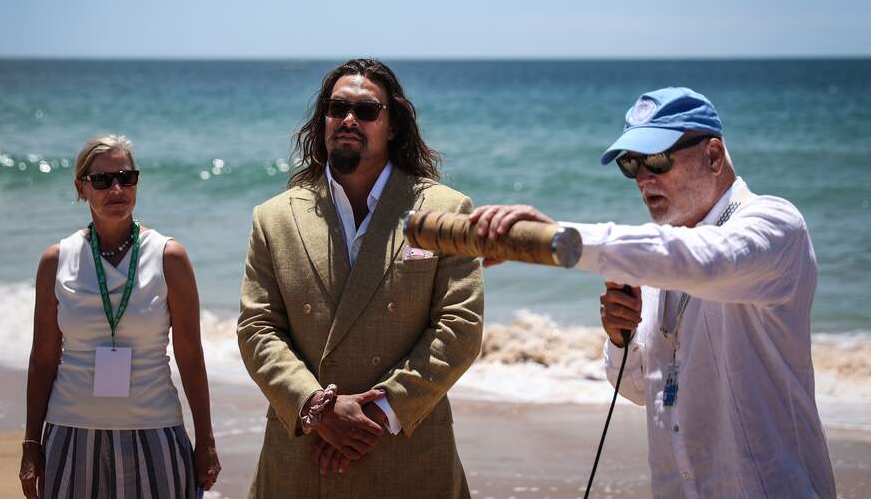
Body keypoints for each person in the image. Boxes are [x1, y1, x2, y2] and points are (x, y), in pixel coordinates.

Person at [471, 87, 836, 498]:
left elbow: (709, 260)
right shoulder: (659, 254)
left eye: (658, 160)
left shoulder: (774, 223)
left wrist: (563, 239)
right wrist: (618, 336)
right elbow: (639, 390)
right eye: (631, 165)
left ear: (714, 156)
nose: (644, 179)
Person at [237, 58, 484, 498]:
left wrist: (379, 414)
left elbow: (460, 328)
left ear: (392, 125)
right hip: (304, 447)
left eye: (367, 110)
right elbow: (257, 329)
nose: (349, 119)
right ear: (323, 120)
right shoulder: (274, 218)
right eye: (337, 108)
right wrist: (317, 408)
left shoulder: (444, 210)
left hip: (405, 448)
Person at [19, 134, 221, 499]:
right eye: (102, 180)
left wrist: (205, 441)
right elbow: (43, 358)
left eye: (126, 178)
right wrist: (31, 445)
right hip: (71, 430)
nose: (117, 188)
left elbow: (190, 355)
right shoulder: (56, 260)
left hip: (154, 429)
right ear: (82, 187)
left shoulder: (168, 256)